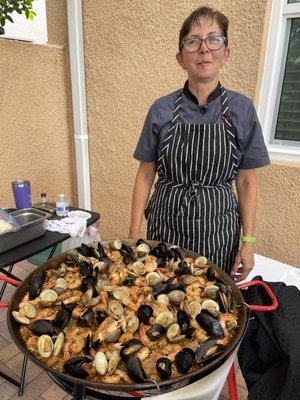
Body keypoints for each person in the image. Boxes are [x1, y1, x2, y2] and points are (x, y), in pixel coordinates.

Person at [129, 6, 270, 281]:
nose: (204, 49)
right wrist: (135, 233)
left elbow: (246, 181)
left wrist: (248, 242)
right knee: (162, 302)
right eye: (193, 41)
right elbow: (146, 174)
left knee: (213, 303)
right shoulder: (161, 109)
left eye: (214, 39)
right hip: (166, 226)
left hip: (219, 230)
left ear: (226, 53)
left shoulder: (242, 109)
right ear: (181, 58)